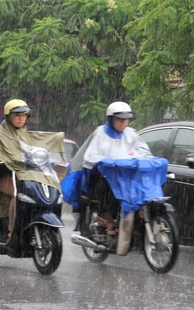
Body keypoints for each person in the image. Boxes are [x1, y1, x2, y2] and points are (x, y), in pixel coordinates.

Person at [0, 99, 65, 237]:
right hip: (5, 177)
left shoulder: (29, 137)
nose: (21, 118)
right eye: (17, 115)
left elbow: (42, 148)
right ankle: (11, 229)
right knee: (17, 195)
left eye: (24, 115)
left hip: (27, 179)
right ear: (9, 116)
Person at [62, 101, 152, 235]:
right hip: (101, 175)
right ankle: (109, 221)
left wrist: (147, 160)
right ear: (111, 119)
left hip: (124, 175)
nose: (123, 123)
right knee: (104, 186)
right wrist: (105, 161)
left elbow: (143, 151)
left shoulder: (131, 134)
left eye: (126, 119)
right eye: (120, 119)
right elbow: (90, 155)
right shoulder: (100, 133)